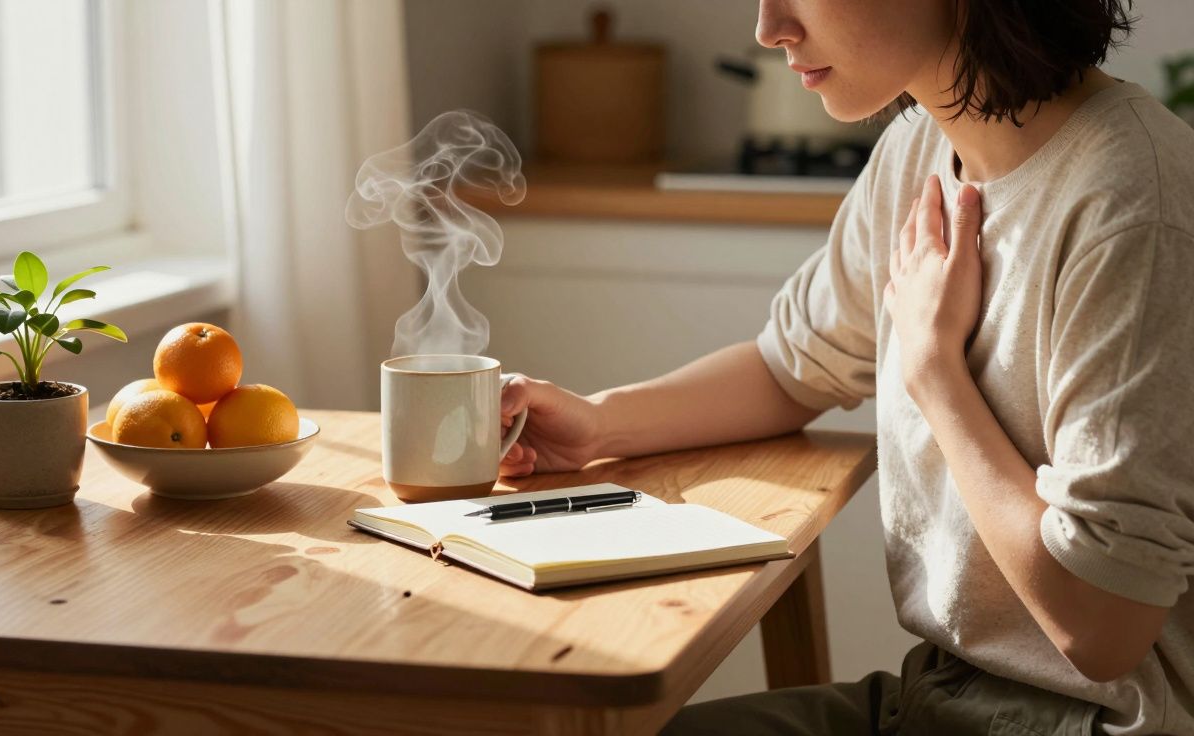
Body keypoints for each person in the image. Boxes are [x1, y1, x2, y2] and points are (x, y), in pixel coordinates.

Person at [497, 0, 1194, 733]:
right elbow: (790, 368)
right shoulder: (919, 148)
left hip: (1096, 720)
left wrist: (936, 375)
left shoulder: (1132, 209)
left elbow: (1104, 627)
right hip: (941, 692)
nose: (769, 29)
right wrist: (598, 424)